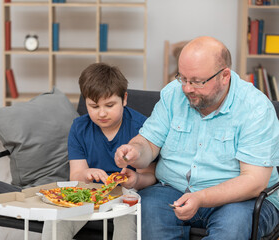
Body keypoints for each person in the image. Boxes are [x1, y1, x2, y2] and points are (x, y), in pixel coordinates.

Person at [114, 36, 279, 240]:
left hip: (239, 200)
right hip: (172, 190)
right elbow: (148, 143)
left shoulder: (255, 107)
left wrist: (201, 198)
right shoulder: (173, 94)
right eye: (182, 78)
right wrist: (135, 151)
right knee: (147, 210)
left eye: (197, 81)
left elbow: (254, 182)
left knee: (233, 228)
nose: (186, 88)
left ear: (225, 76)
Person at [42, 62, 157, 240]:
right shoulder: (79, 128)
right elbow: (76, 176)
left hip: (129, 194)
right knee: (56, 219)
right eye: (94, 107)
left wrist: (136, 180)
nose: (102, 113)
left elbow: (151, 177)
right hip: (90, 192)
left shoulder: (141, 127)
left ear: (124, 99)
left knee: (126, 220)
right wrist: (86, 174)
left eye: (110, 105)